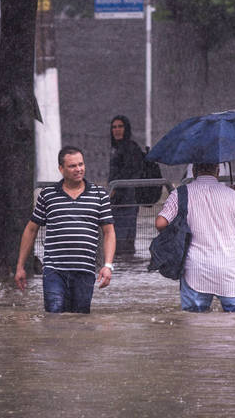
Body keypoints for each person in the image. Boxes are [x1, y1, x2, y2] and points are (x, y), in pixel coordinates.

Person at [15, 146, 116, 314]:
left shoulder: (99, 195)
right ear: (61, 169)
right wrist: (20, 266)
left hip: (84, 269)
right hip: (55, 270)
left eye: (81, 164)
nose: (79, 169)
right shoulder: (48, 195)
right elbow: (31, 229)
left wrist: (108, 265)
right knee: (54, 315)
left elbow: (109, 232)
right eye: (72, 166)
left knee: (80, 319)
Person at [156, 163, 235, 312]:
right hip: (228, 270)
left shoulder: (180, 194)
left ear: (194, 171)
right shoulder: (233, 195)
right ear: (217, 170)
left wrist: (179, 228)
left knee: (195, 323)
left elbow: (160, 223)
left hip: (195, 270)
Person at [108, 115, 144, 254]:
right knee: (119, 241)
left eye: (120, 126)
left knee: (123, 242)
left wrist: (115, 190)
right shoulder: (116, 149)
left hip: (127, 201)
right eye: (114, 127)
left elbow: (130, 172)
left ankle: (126, 268)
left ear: (126, 128)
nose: (116, 130)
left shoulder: (130, 147)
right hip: (117, 200)